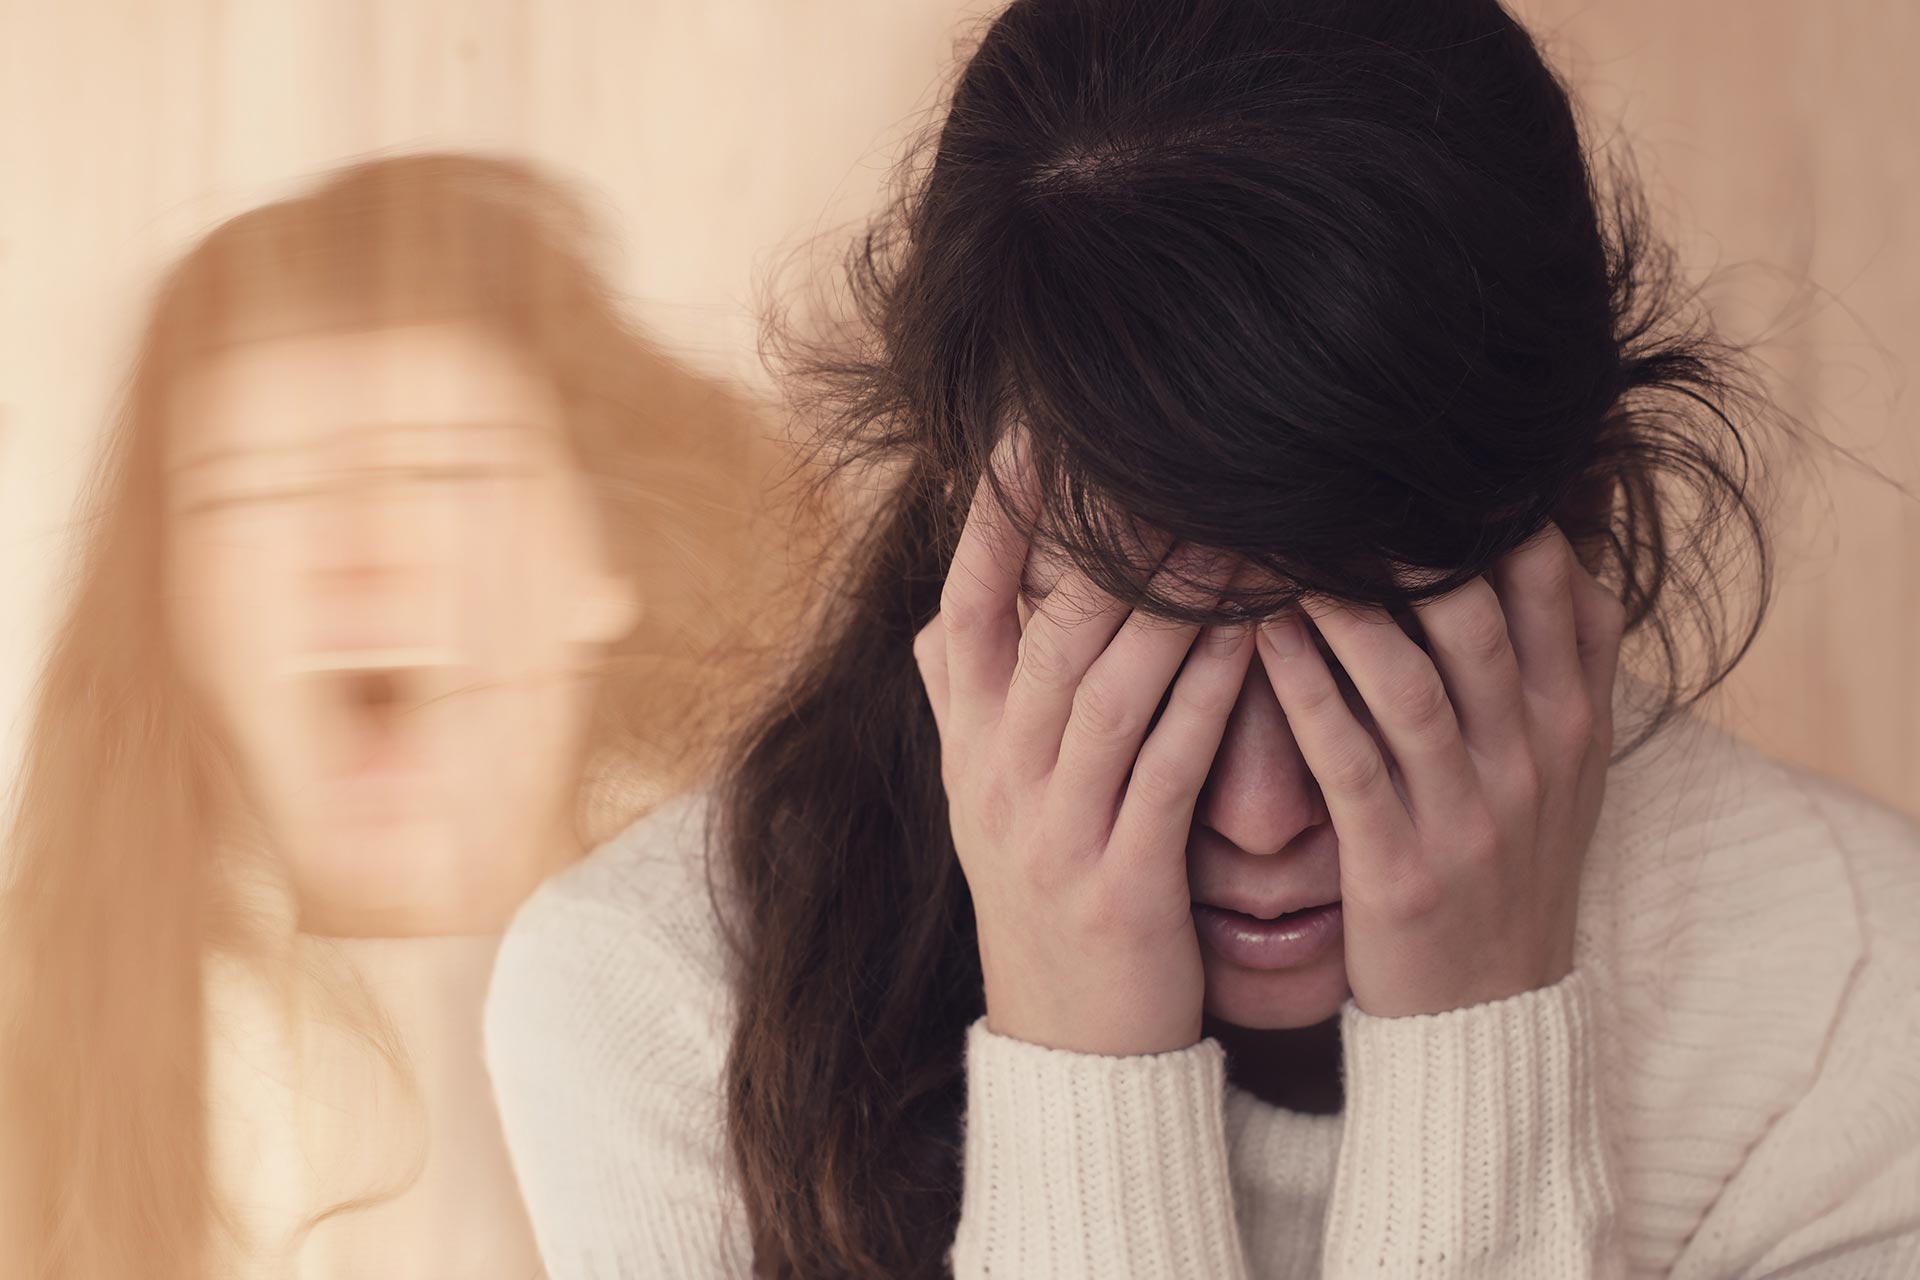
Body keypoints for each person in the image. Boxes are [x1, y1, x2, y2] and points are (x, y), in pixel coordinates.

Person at [481, 1, 1920, 1276]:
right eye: (1149, 663)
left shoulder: (1858, 1018)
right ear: (964, 554)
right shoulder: (661, 1000)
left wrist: (1478, 1052)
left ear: (1582, 535)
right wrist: (1078, 1058)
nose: (1260, 814)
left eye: (1359, 665)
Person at [0, 153, 797, 1278]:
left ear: (603, 558)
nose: (351, 553)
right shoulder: (46, 1076)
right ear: (172, 604)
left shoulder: (808, 1000)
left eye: (437, 472)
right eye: (255, 495)